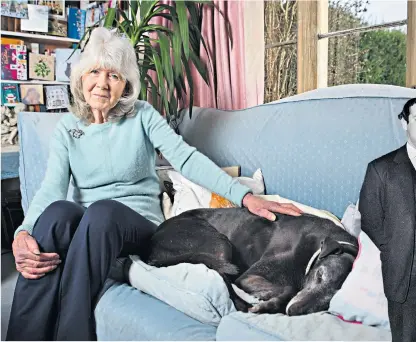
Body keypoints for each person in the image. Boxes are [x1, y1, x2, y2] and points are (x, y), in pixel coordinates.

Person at [6, 27, 302, 341]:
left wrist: (244, 197)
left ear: (126, 84)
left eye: (114, 75)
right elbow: (51, 188)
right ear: (81, 77)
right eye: (95, 71)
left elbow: (185, 158)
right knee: (55, 215)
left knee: (103, 213)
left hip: (135, 225)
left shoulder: (142, 116)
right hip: (89, 229)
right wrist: (23, 231)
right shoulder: (68, 128)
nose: (103, 83)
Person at [359, 97, 416, 342]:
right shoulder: (380, 169)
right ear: (405, 123)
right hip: (404, 278)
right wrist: (396, 248)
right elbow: (370, 220)